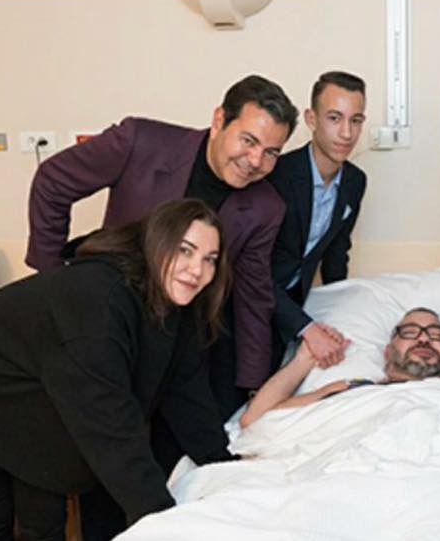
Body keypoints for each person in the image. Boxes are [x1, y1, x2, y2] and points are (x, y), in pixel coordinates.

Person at [0, 199, 235, 541]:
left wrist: (222, 464)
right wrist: (167, 526)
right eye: (185, 250)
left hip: (31, 392)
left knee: (44, 514)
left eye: (210, 259)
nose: (196, 270)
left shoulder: (176, 303)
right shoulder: (98, 300)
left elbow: (187, 390)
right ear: (156, 242)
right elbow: (112, 428)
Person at [25, 74, 299, 419]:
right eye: (248, 140)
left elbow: (253, 294)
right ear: (219, 120)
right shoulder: (139, 141)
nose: (256, 161)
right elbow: (53, 181)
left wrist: (254, 385)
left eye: (271, 152)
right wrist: (54, 280)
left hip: (179, 337)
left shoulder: (266, 207)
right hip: (106, 311)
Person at [267, 71, 369, 370]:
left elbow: (336, 255)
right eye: (335, 118)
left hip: (297, 304)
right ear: (311, 119)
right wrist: (305, 327)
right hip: (253, 300)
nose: (347, 133)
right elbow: (252, 268)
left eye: (356, 120)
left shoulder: (355, 181)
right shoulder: (276, 175)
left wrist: (339, 318)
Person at [241, 307, 440, 427]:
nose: (424, 339)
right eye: (410, 332)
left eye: (436, 335)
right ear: (387, 353)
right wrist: (304, 359)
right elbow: (255, 420)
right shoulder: (352, 389)